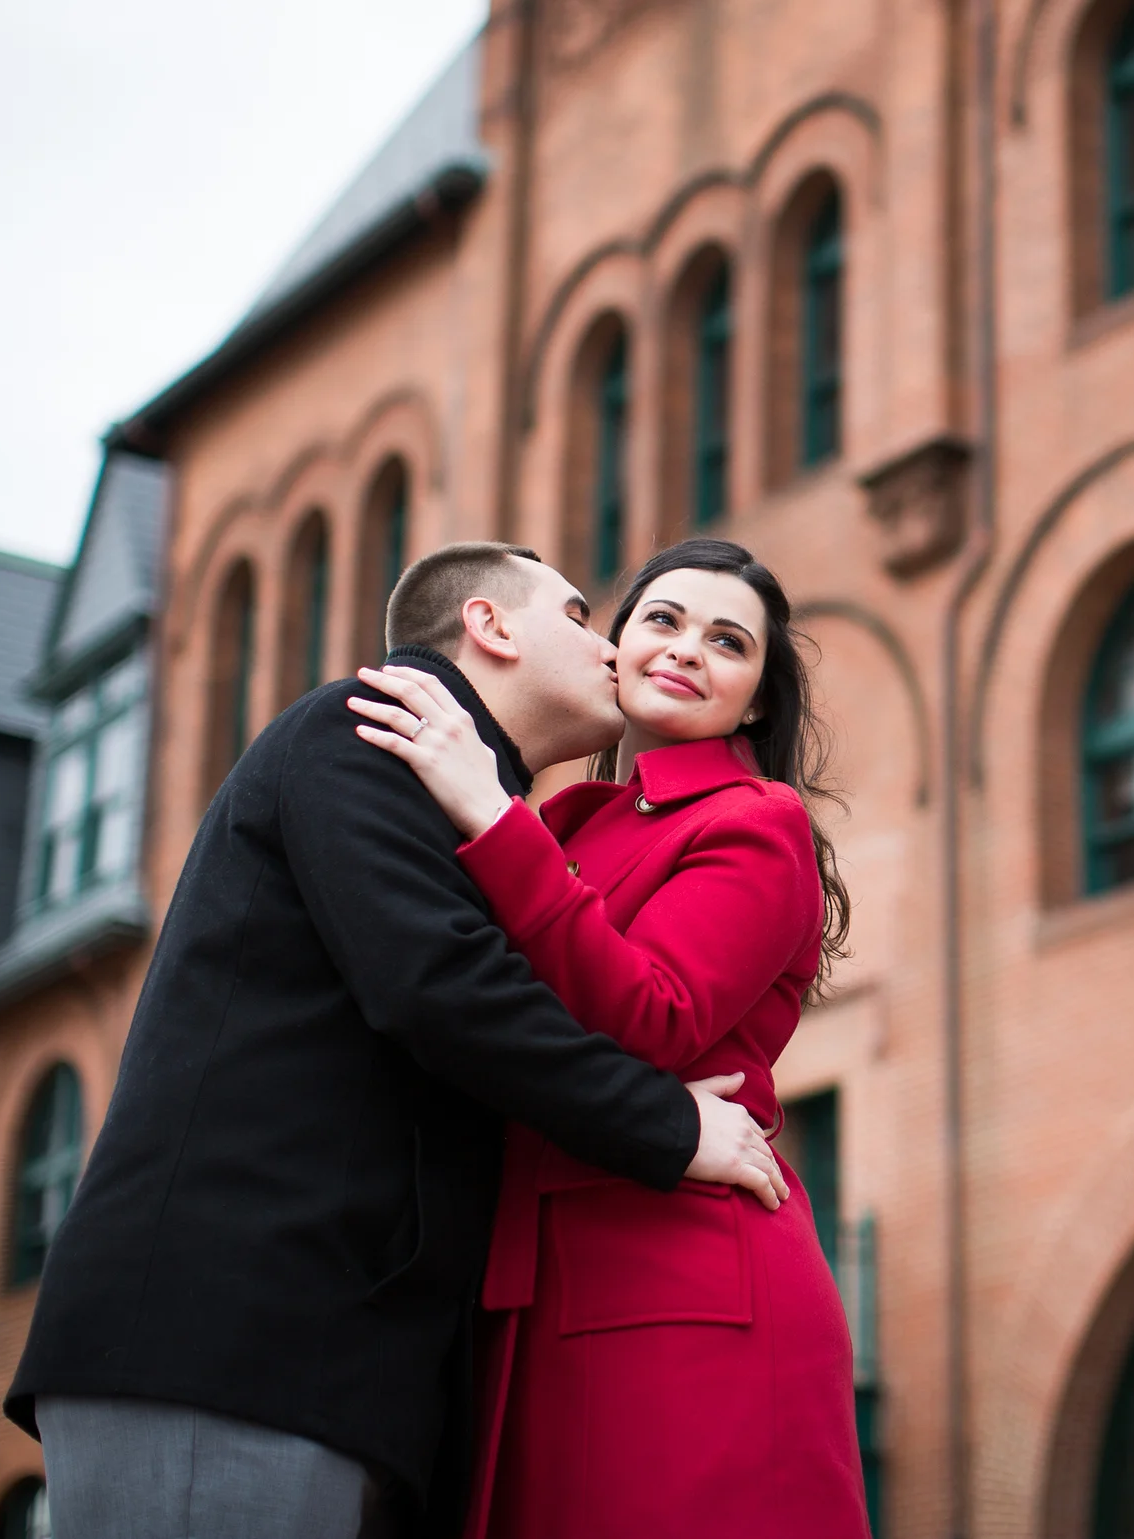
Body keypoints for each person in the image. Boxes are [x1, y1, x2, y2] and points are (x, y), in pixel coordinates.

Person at [6, 542, 789, 1539]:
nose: (613, 650)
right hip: (227, 1349)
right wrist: (670, 1123)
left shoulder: (490, 812)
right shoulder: (365, 725)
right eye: (582, 615)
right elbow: (443, 986)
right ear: (491, 625)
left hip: (335, 1371)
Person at [352, 537, 868, 1538]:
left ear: (756, 699)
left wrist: (491, 816)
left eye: (728, 641)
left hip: (678, 1282)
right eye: (661, 620)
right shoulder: (573, 823)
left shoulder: (756, 821)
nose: (685, 649)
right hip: (536, 1277)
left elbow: (655, 1013)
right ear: (615, 645)